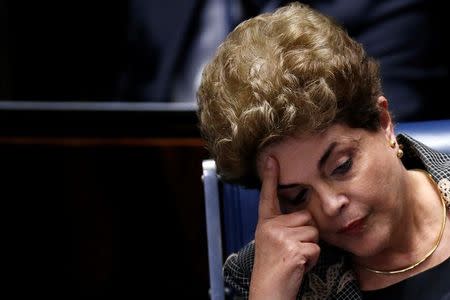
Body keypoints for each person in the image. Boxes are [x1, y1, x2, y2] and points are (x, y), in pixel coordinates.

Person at [197, 3, 450, 299]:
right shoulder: (267, 278)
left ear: (383, 124)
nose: (330, 205)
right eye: (297, 196)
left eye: (342, 166)